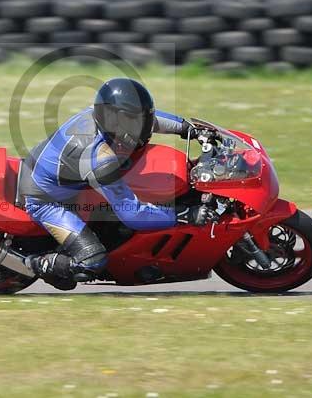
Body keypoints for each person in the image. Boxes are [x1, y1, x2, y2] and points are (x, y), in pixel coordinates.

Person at [17, 78, 213, 290]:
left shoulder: (104, 116)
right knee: (93, 261)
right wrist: (184, 216)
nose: (142, 126)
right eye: (133, 121)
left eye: (141, 119)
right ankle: (34, 263)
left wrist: (189, 129)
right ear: (114, 119)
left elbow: (149, 120)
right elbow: (133, 214)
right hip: (44, 200)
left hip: (57, 172)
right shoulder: (99, 158)